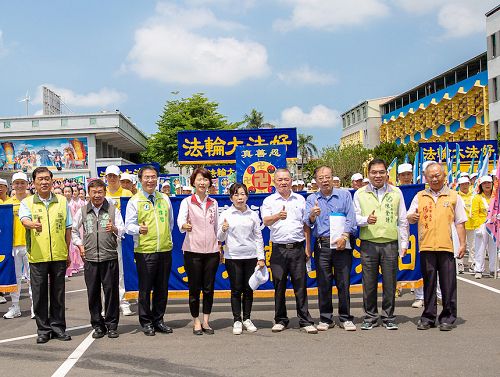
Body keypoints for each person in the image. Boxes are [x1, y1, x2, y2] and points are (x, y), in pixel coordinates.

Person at [407, 162, 466, 331]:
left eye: (437, 175)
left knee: (448, 285)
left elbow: (460, 222)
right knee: (429, 283)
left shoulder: (454, 196)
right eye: (431, 176)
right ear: (425, 178)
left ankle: (448, 317)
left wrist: (462, 244)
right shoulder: (420, 196)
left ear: (444, 176)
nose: (434, 178)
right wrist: (413, 217)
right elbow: (410, 216)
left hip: (447, 246)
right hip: (426, 246)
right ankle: (428, 316)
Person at [354, 159, 409, 330]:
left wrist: (404, 242)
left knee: (390, 282)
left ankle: (388, 316)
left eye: (381, 172)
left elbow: (402, 219)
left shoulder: (396, 192)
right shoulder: (360, 193)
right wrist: (365, 220)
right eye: (374, 172)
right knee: (368, 283)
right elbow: (354, 217)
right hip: (368, 243)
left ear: (386, 173)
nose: (377, 175)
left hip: (390, 243)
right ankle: (370, 316)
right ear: (368, 174)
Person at [19, 167, 73, 343]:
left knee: (58, 294)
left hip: (58, 254)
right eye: (40, 179)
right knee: (39, 294)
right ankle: (43, 330)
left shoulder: (62, 201)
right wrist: (32, 224)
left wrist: (67, 251)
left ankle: (58, 328)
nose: (44, 182)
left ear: (52, 180)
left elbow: (68, 228)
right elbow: (24, 220)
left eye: (47, 179)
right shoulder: (27, 202)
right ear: (33, 183)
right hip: (38, 256)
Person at [261, 168, 317, 334]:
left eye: (286, 179)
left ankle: (305, 320)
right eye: (280, 180)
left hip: (298, 248)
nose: (283, 182)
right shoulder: (269, 201)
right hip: (278, 249)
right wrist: (278, 216)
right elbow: (266, 221)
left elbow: (306, 224)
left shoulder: (300, 199)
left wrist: (308, 247)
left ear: (291, 181)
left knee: (301, 285)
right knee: (279, 286)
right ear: (274, 182)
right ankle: (280, 319)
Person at [304, 166, 357, 331]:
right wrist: (313, 214)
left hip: (342, 243)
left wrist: (345, 236)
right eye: (321, 178)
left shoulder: (344, 195)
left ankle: (345, 317)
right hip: (323, 244)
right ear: (316, 181)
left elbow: (351, 218)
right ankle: (326, 318)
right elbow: (307, 222)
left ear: (332, 178)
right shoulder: (312, 199)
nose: (325, 180)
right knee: (324, 283)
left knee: (343, 282)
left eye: (327, 177)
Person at [125, 165, 174, 336]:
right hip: (145, 251)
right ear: (140, 180)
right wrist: (138, 229)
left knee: (162, 288)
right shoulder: (135, 201)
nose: (150, 180)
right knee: (145, 289)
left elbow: (170, 223)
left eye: (153, 177)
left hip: (165, 249)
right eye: (146, 177)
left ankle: (159, 320)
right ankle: (146, 322)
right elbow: (127, 226)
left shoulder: (164, 199)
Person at [72, 179, 123, 339]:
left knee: (111, 292)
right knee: (93, 293)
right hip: (90, 259)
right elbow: (73, 230)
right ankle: (98, 325)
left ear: (105, 193)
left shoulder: (113, 210)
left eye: (100, 192)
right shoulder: (83, 211)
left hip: (110, 257)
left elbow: (123, 230)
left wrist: (114, 228)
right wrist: (80, 245)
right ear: (89, 193)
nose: (97, 195)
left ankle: (112, 325)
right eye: (94, 192)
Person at [217, 183, 265, 335]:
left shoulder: (253, 215)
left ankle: (247, 319)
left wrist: (261, 257)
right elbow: (219, 237)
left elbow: (258, 237)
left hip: (250, 256)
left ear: (247, 196)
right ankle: (237, 320)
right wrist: (223, 230)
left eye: (242, 194)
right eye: (236, 194)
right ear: (231, 198)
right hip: (233, 257)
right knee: (236, 290)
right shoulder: (226, 214)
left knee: (249, 289)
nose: (240, 197)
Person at [177, 168, 220, 335]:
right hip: (192, 251)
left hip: (211, 252)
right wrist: (184, 226)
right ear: (193, 182)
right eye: (199, 179)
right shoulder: (187, 202)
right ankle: (196, 321)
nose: (202, 183)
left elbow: (217, 227)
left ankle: (206, 321)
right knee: (194, 288)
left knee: (209, 288)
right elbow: (180, 221)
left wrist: (220, 244)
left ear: (209, 183)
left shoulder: (214, 203)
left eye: (205, 180)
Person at [3, 172, 33, 319]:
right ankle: (15, 306)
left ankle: (35, 307)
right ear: (12, 185)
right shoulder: (6, 204)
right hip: (13, 246)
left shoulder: (34, 201)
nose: (20, 186)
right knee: (15, 278)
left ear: (27, 184)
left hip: (31, 245)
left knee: (32, 278)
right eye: (17, 183)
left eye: (22, 183)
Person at [105, 164, 134, 316]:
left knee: (122, 271)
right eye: (109, 176)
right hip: (105, 237)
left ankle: (124, 301)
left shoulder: (127, 193)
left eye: (114, 176)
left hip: (123, 236)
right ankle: (109, 303)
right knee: (106, 273)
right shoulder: (102, 193)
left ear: (119, 177)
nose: (111, 178)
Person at [471, 175, 499, 278]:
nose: (487, 185)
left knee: (493, 248)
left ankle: (494, 269)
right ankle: (478, 269)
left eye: (489, 183)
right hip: (482, 225)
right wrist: (478, 226)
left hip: (494, 225)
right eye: (484, 183)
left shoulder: (496, 197)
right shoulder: (477, 198)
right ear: (481, 185)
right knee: (480, 248)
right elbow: (474, 213)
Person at [63, 186, 84, 277]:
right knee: (70, 248)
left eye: (69, 191)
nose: (67, 193)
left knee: (74, 247)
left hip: (75, 227)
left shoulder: (75, 204)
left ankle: (75, 265)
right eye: (65, 192)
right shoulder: (63, 204)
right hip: (66, 227)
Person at [457, 176, 474, 274]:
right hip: (460, 225)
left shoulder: (474, 196)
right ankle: (460, 263)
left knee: (473, 246)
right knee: (461, 245)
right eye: (462, 184)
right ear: (459, 185)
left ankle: (473, 262)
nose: (464, 186)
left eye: (466, 184)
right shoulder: (456, 196)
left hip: (472, 224)